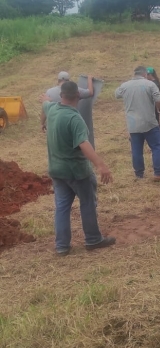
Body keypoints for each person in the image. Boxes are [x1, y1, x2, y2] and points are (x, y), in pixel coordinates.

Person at [41, 81, 116, 255]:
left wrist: (42, 119)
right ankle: (93, 239)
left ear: (61, 96)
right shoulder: (75, 118)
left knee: (61, 207)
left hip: (56, 171)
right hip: (77, 171)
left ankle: (62, 246)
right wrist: (101, 165)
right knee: (88, 203)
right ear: (78, 96)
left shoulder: (52, 109)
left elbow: (44, 105)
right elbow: (83, 143)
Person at [115, 66, 160, 181]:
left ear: (134, 74)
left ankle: (139, 174)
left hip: (133, 124)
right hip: (149, 122)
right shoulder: (150, 84)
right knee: (157, 146)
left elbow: (116, 94)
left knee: (136, 149)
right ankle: (158, 173)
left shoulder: (125, 85)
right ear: (144, 74)